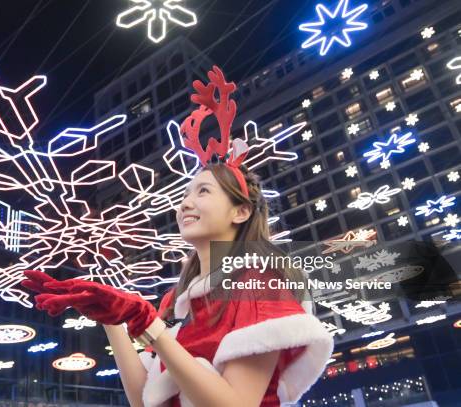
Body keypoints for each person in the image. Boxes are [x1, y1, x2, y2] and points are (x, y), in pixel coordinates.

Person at [21, 66, 333, 406]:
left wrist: (148, 324)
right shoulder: (177, 300)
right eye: (184, 195)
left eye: (203, 192)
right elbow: (145, 400)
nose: (185, 203)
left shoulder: (259, 282)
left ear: (240, 212)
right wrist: (111, 319)